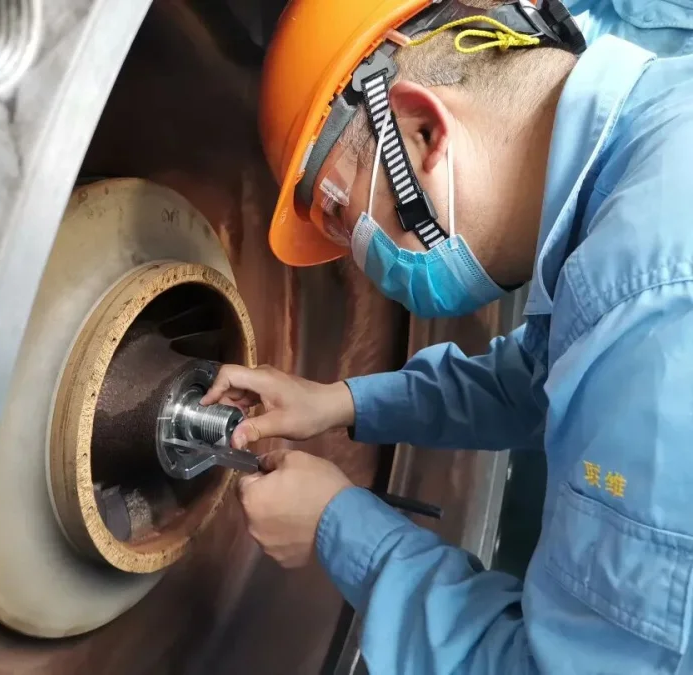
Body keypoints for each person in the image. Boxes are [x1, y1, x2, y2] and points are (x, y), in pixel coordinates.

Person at [200, 0, 693, 672]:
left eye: (342, 216)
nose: (360, 262)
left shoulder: (652, 308)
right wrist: (341, 402)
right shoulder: (651, 155)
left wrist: (337, 526)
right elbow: (543, 383)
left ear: (423, 131)